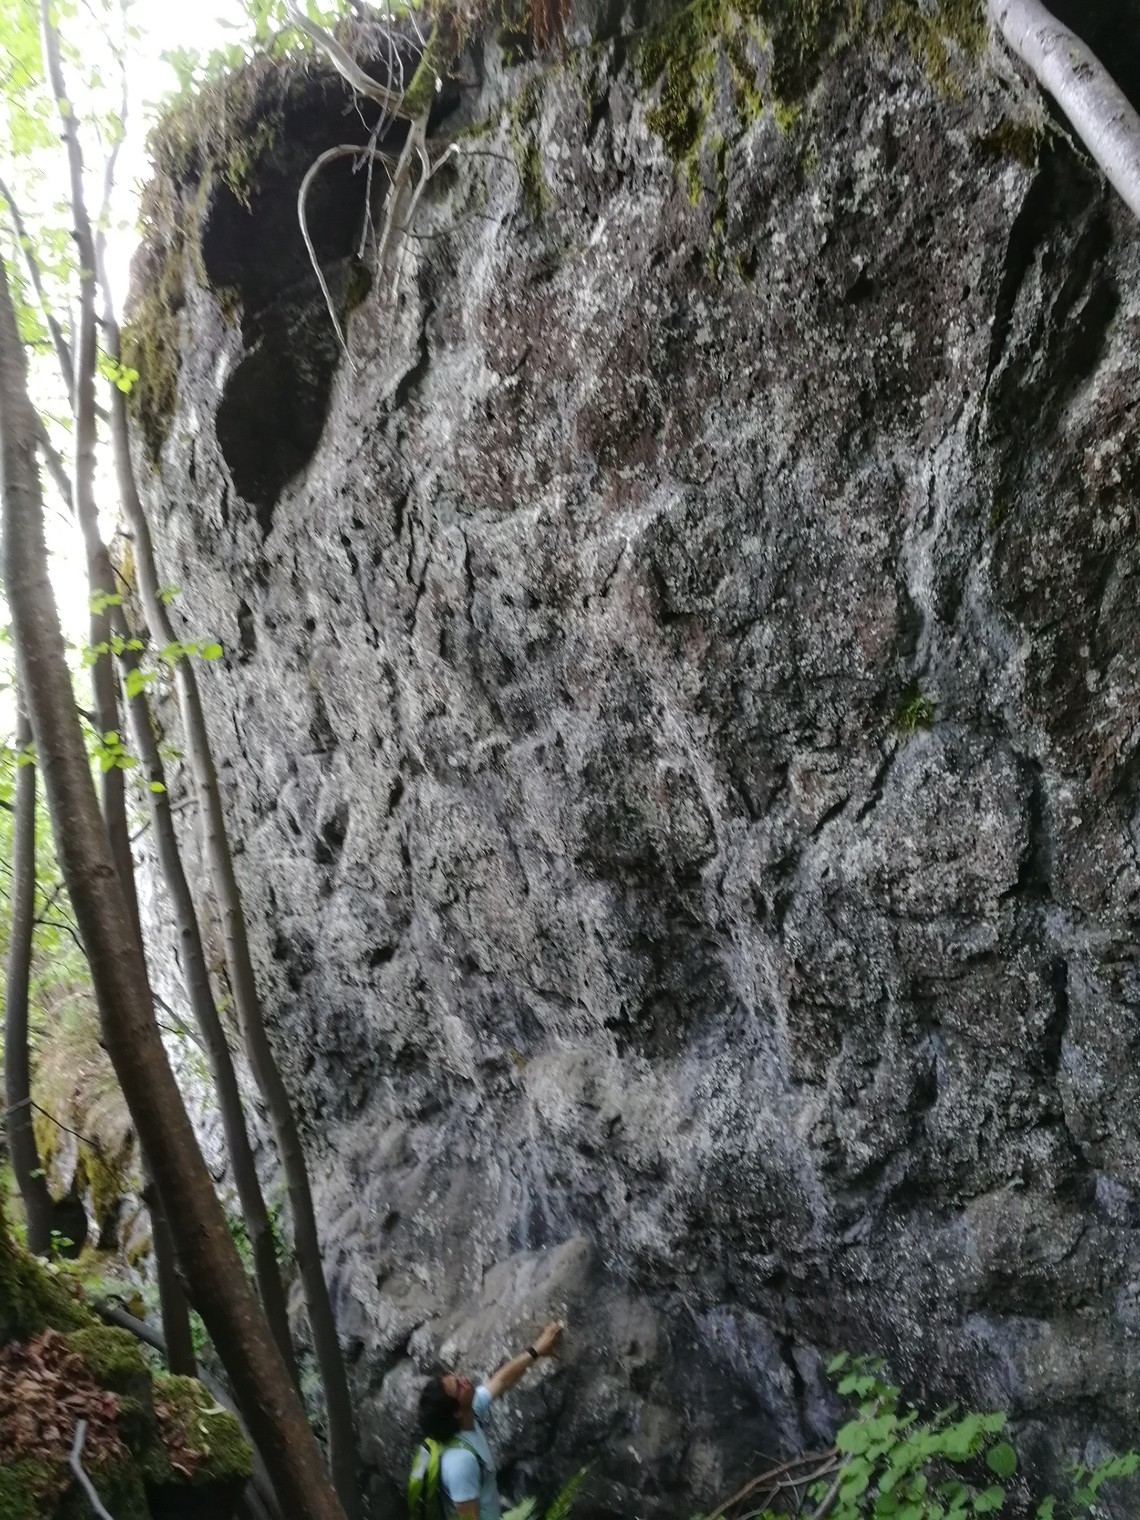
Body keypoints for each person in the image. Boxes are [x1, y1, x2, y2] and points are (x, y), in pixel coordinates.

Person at [417, 1320, 565, 1519]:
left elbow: (501, 1380)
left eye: (456, 1377)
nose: (464, 1379)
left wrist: (537, 1349)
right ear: (456, 1412)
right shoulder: (461, 1463)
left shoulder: (468, 1413)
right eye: (459, 1387)